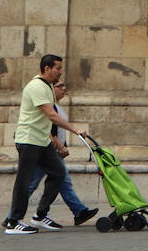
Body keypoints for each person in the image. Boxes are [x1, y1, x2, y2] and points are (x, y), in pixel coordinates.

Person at [4, 54, 86, 235]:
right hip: (29, 140)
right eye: (57, 68)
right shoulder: (36, 87)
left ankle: (40, 215)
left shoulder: (48, 87)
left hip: (42, 141)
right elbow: (52, 115)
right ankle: (13, 222)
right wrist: (75, 130)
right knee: (24, 181)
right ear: (47, 68)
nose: (60, 72)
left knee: (58, 173)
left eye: (60, 68)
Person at [25, 80, 98, 226]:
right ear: (51, 89)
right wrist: (60, 146)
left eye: (65, 85)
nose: (64, 88)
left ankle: (78, 211)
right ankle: (14, 217)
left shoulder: (57, 106)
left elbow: (59, 129)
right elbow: (47, 130)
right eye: (59, 86)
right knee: (32, 184)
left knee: (63, 182)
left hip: (53, 151)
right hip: (47, 151)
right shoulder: (49, 107)